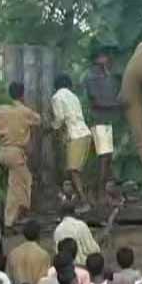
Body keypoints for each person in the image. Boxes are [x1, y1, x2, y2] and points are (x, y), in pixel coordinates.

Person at [0, 82, 42, 230]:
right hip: (16, 152)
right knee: (17, 186)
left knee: (21, 181)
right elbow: (39, 120)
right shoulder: (24, 111)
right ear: (22, 94)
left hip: (3, 151)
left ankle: (18, 213)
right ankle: (10, 220)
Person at [85, 46, 122, 202]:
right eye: (103, 56)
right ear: (96, 59)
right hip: (100, 121)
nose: (106, 59)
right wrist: (116, 105)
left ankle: (103, 192)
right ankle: (99, 193)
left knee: (107, 158)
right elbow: (96, 102)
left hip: (108, 121)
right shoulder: (92, 77)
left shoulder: (108, 75)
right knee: (103, 158)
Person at [51, 73, 93, 209]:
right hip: (85, 133)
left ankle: (84, 202)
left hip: (76, 135)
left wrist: (52, 127)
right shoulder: (73, 96)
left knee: (73, 170)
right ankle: (81, 200)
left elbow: (60, 118)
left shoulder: (57, 97)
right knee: (77, 171)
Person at [7, 220, 52, 284]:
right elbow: (44, 281)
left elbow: (9, 280)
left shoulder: (13, 253)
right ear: (38, 234)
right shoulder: (43, 255)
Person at [54, 203, 101, 267]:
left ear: (61, 214)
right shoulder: (81, 225)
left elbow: (58, 253)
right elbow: (92, 249)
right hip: (84, 267)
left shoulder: (57, 230)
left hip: (66, 269)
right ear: (74, 212)